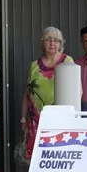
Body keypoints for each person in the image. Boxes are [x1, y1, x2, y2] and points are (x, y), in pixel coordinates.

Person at [20, 26, 73, 160]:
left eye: (56, 40)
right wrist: (23, 118)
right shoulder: (34, 66)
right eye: (48, 40)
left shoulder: (67, 62)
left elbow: (78, 91)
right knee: (37, 158)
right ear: (42, 42)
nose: (52, 43)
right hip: (36, 121)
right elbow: (26, 95)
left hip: (60, 120)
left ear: (61, 44)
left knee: (58, 157)